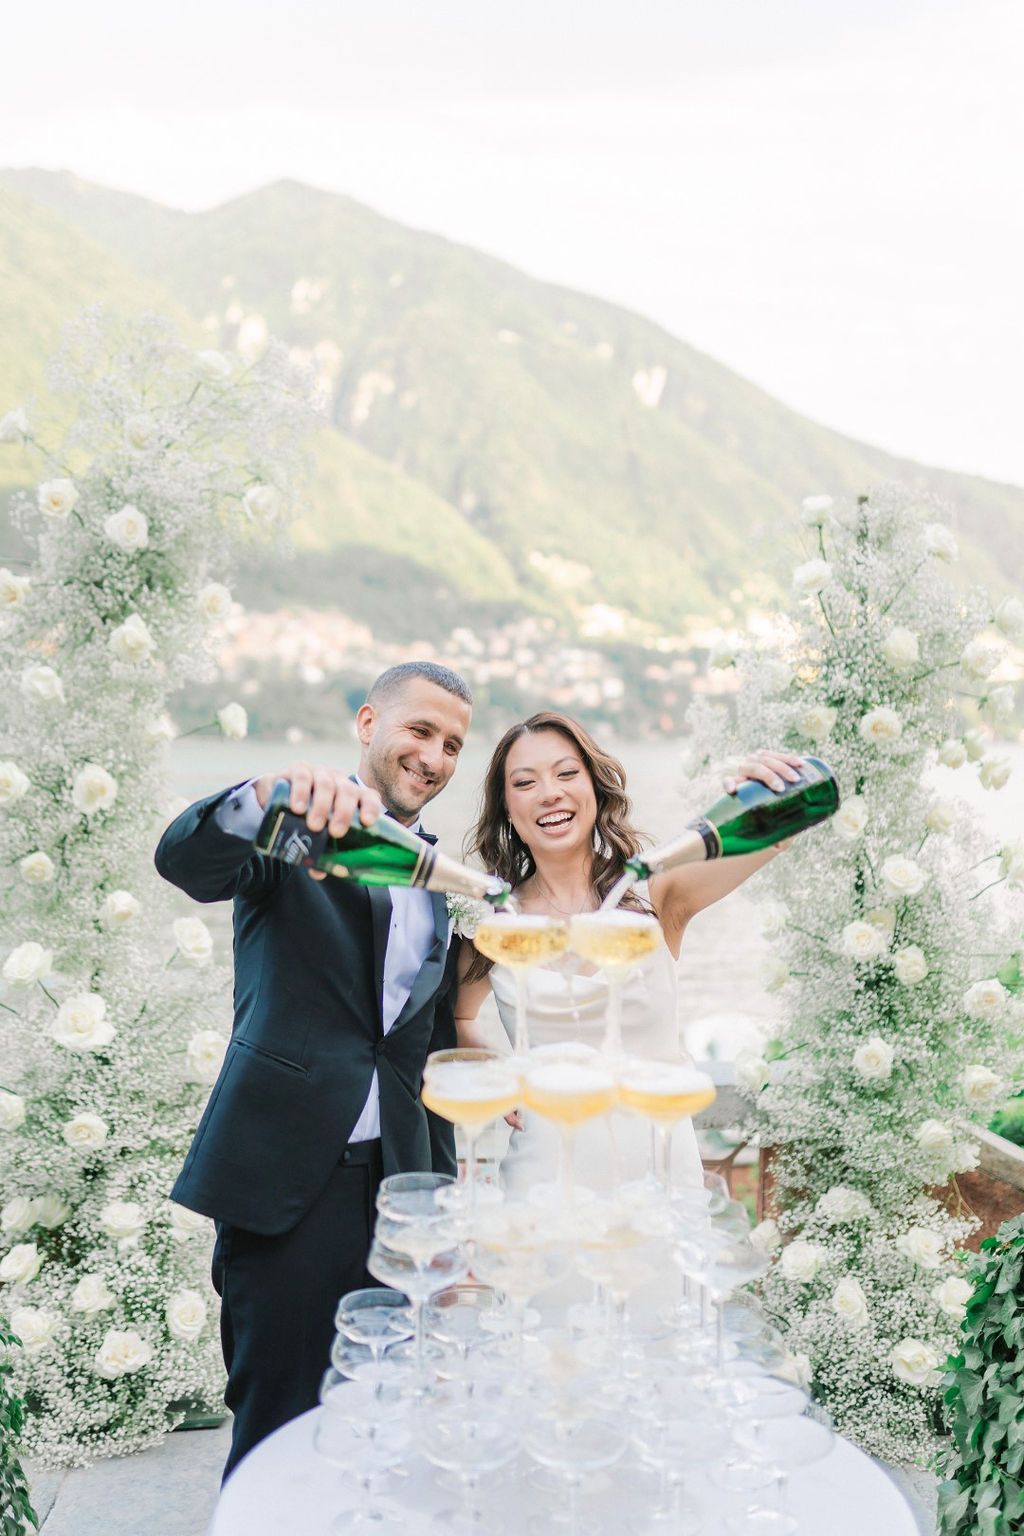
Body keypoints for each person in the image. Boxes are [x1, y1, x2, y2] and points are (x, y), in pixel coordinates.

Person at [154, 661, 472, 1478]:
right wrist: (263, 796)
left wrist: (441, 1211)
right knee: (276, 1436)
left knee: (386, 1432)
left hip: (397, 1198)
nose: (434, 756)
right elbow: (188, 864)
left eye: (452, 745)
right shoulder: (291, 834)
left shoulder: (437, 885)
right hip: (288, 1186)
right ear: (368, 724)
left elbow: (416, 1056)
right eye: (419, 731)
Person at [454, 712, 802, 1197]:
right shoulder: (493, 921)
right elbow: (459, 1017)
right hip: (543, 1179)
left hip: (658, 1173)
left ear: (595, 789)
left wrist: (764, 786)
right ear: (508, 810)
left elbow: (777, 831)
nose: (549, 792)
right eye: (525, 782)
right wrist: (495, 1070)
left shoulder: (657, 892)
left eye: (567, 773)